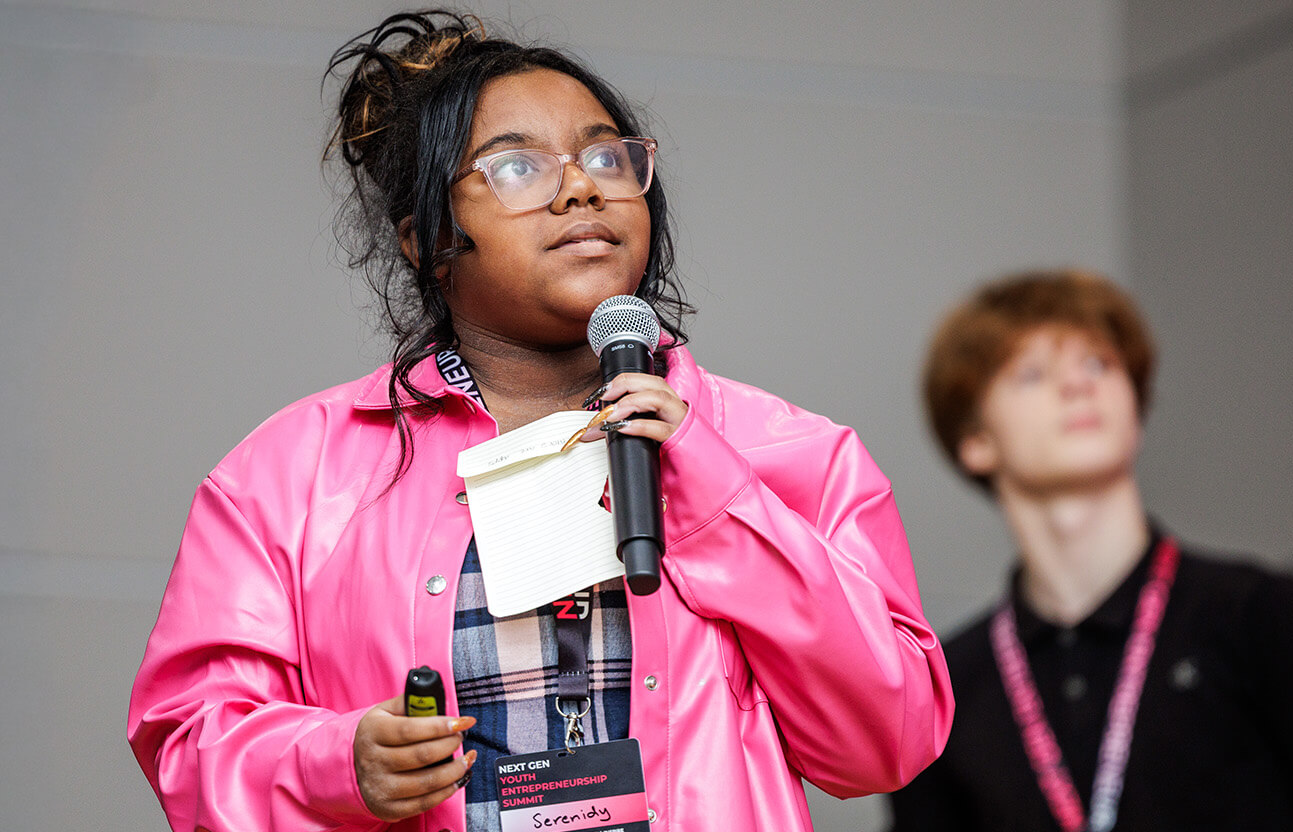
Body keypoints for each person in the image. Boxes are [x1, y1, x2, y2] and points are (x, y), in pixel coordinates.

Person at [127, 10, 953, 832]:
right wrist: (336, 763)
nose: (583, 185)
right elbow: (190, 744)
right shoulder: (287, 478)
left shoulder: (791, 454)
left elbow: (891, 742)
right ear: (426, 239)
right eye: (517, 166)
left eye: (605, 157)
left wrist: (716, 499)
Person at [889, 269, 1293, 831]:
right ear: (976, 441)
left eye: (1100, 364)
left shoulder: (1260, 615)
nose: (1078, 386)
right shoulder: (947, 689)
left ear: (1136, 408)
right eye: (1033, 373)